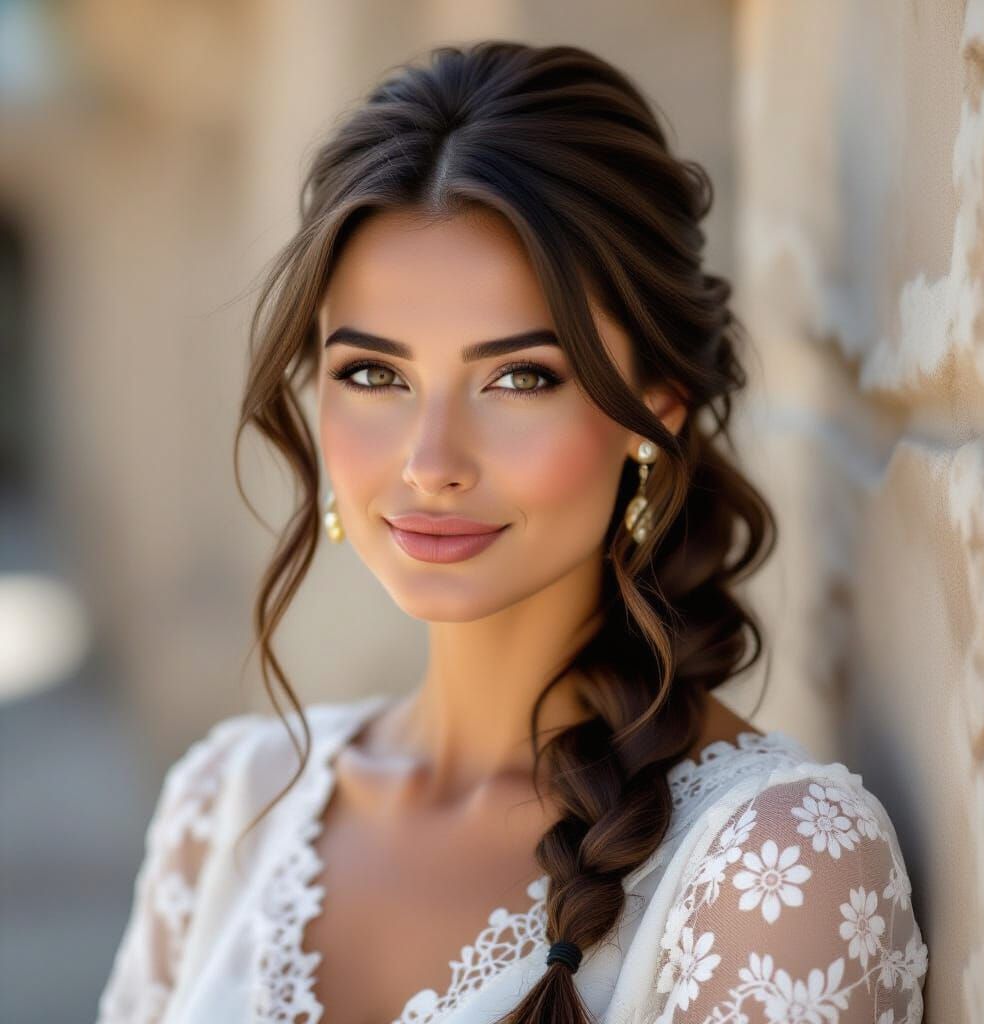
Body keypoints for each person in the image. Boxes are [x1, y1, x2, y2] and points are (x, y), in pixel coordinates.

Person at [95, 40, 928, 1024]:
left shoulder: (775, 869)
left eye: (518, 377)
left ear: (649, 412)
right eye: (373, 374)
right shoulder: (228, 805)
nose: (430, 458)